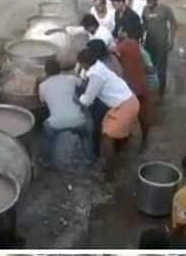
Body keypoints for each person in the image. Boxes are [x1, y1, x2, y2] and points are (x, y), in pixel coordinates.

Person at [76, 47, 139, 181]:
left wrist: (77, 98)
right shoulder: (99, 66)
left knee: (107, 140)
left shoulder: (96, 76)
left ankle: (110, 173)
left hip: (125, 107)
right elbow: (84, 75)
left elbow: (87, 101)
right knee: (112, 133)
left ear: (84, 63)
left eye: (80, 64)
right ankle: (119, 158)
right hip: (128, 101)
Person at [37, 57, 90, 165]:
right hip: (77, 119)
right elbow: (83, 85)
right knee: (85, 135)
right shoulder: (71, 78)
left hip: (56, 123)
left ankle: (46, 161)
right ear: (60, 69)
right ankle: (89, 158)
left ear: (46, 72)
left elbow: (42, 101)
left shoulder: (42, 86)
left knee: (47, 136)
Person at [115, 23, 150, 152]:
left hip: (130, 88)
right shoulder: (136, 44)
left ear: (124, 32)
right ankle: (145, 140)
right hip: (141, 84)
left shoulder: (122, 46)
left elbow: (113, 52)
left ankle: (124, 138)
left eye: (120, 31)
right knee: (143, 115)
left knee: (125, 114)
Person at [142, 0, 177, 97]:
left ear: (156, 0)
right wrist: (140, 39)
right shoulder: (145, 9)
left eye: (152, 0)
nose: (150, 3)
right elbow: (144, 24)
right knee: (149, 66)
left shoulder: (165, 9)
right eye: (148, 1)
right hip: (149, 43)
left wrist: (171, 40)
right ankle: (151, 89)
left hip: (161, 43)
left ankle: (161, 91)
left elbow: (173, 24)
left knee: (161, 68)